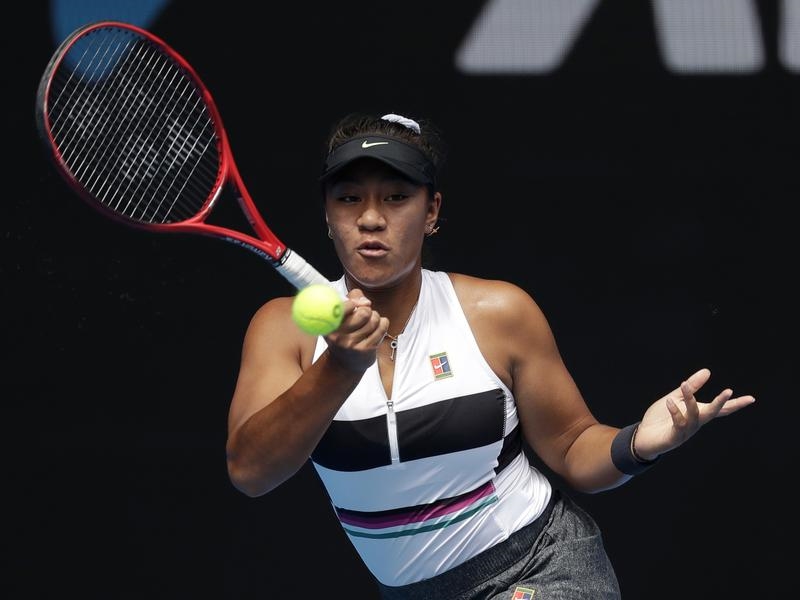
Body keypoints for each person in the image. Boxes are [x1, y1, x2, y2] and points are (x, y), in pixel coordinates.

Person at [225, 111, 755, 599]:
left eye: (396, 197)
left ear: (431, 211)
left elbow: (573, 447)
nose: (370, 218)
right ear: (327, 214)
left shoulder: (498, 312)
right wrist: (338, 368)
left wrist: (637, 443)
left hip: (539, 567)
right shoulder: (283, 329)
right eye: (348, 199)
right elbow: (251, 471)